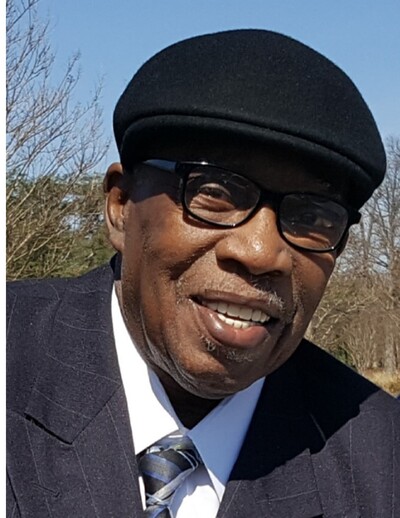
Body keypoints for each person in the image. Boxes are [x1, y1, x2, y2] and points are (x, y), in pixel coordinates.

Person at [7, 29, 400, 518]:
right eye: (214, 192)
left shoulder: (383, 467)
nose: (262, 253)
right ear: (121, 207)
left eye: (311, 216)